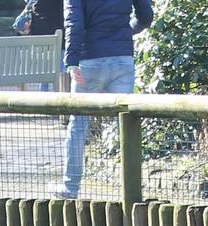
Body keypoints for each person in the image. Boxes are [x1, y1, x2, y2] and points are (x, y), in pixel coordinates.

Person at [55, 0, 153, 199]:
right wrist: (126, 32)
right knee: (127, 123)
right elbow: (146, 16)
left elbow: (74, 23)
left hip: (89, 61)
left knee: (78, 125)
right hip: (122, 60)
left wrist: (71, 61)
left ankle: (70, 188)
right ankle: (132, 191)